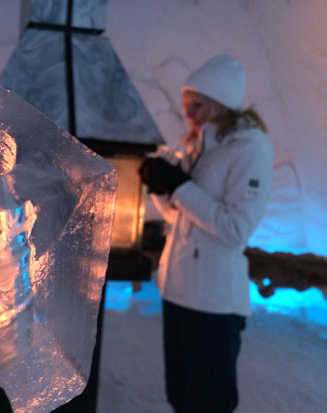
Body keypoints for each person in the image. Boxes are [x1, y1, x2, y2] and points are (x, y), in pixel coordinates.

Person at [139, 54, 273, 413]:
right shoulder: (198, 147)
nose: (190, 114)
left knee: (208, 401)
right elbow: (179, 217)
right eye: (186, 106)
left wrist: (181, 187)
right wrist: (159, 186)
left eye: (198, 105)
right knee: (181, 396)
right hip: (178, 289)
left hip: (213, 301)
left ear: (222, 103)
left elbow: (235, 229)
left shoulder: (249, 150)